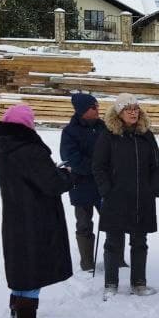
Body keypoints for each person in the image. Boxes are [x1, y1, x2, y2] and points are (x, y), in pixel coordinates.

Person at [0, 105, 73, 318]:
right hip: (36, 218)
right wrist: (66, 174)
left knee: (21, 267)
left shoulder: (5, 148)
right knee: (33, 269)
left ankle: (18, 317)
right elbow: (52, 184)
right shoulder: (28, 150)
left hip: (16, 216)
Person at [92, 93, 159, 298]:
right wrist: (106, 190)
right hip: (116, 197)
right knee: (113, 242)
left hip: (143, 198)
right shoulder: (108, 135)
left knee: (140, 242)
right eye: (128, 109)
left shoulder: (146, 135)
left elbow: (157, 165)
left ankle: (139, 283)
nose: (133, 112)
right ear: (119, 112)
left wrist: (154, 188)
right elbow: (98, 166)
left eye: (135, 108)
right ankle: (111, 284)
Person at [60, 93, 106, 273]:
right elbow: (71, 159)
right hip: (81, 186)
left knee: (113, 222)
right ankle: (87, 263)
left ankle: (116, 260)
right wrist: (97, 167)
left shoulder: (104, 127)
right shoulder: (69, 132)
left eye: (97, 106)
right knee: (84, 224)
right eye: (93, 107)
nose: (97, 110)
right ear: (82, 110)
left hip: (104, 185)